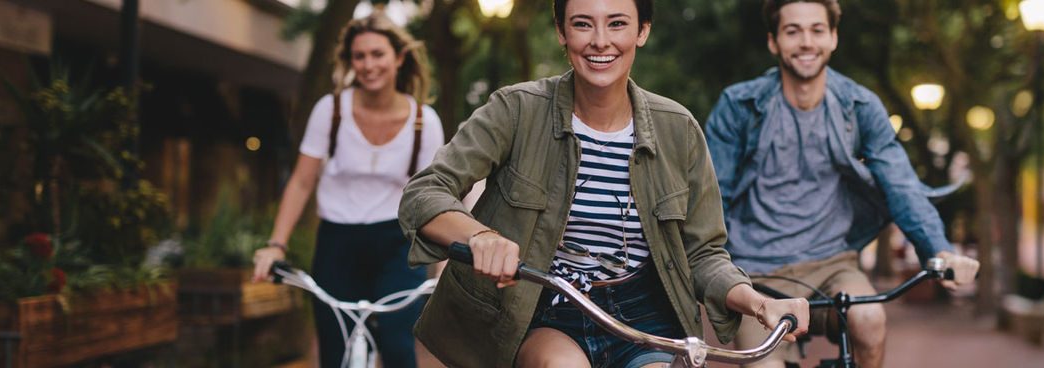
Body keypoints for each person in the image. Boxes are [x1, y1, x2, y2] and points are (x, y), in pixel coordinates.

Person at [398, 0, 811, 367]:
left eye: (616, 24)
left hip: (644, 314)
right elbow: (424, 193)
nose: (600, 41)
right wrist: (481, 236)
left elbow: (703, 254)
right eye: (582, 24)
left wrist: (759, 304)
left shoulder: (679, 130)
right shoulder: (516, 109)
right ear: (561, 31)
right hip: (549, 307)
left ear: (642, 31)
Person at [703, 1, 981, 367]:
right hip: (756, 273)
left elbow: (900, 184)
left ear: (833, 37)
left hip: (834, 264)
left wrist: (938, 249)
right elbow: (711, 199)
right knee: (763, 365)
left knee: (870, 320)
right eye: (792, 31)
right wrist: (713, 272)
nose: (806, 42)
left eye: (817, 30)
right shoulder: (739, 106)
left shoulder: (860, 106)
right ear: (773, 42)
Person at [250, 13, 443, 368]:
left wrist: (446, 264)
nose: (368, 65)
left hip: (398, 245)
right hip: (337, 242)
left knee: (398, 344)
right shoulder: (331, 110)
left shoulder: (423, 122)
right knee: (334, 348)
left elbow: (435, 196)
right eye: (359, 56)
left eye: (377, 54)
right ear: (350, 61)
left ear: (399, 58)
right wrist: (275, 246)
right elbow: (302, 181)